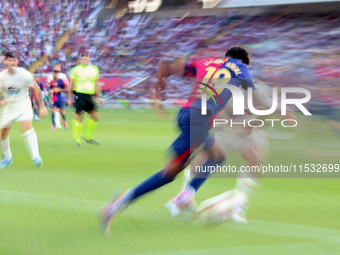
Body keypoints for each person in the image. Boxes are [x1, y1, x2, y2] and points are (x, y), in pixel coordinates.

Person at [101, 46, 260, 232]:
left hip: (187, 114)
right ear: (242, 60)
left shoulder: (206, 61)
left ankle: (186, 194)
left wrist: (158, 94)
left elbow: (166, 67)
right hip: (198, 121)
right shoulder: (242, 69)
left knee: (218, 155)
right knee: (167, 174)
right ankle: (117, 205)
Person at [0, 52, 47, 168]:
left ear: (17, 61)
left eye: (14, 60)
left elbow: (36, 89)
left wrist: (42, 106)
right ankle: (8, 157)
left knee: (25, 125)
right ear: (5, 62)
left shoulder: (25, 74)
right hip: (9, 108)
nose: (12, 63)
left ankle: (36, 156)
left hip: (23, 104)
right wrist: (2, 102)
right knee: (3, 133)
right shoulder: (2, 77)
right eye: (9, 60)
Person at [68, 53, 103, 146]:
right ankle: (77, 139)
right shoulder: (75, 70)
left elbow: (96, 84)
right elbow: (71, 85)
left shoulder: (94, 69)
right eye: (83, 59)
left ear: (90, 60)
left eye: (87, 59)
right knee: (79, 116)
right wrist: (69, 98)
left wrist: (100, 96)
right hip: (79, 94)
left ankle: (88, 137)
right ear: (80, 60)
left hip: (89, 96)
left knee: (95, 117)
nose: (85, 61)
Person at [47, 64, 69, 129]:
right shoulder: (51, 77)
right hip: (53, 97)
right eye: (55, 67)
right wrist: (50, 91)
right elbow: (49, 85)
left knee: (61, 111)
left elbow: (67, 86)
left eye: (58, 67)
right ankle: (55, 125)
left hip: (61, 96)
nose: (57, 68)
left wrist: (60, 90)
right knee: (54, 110)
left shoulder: (63, 76)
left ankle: (63, 121)